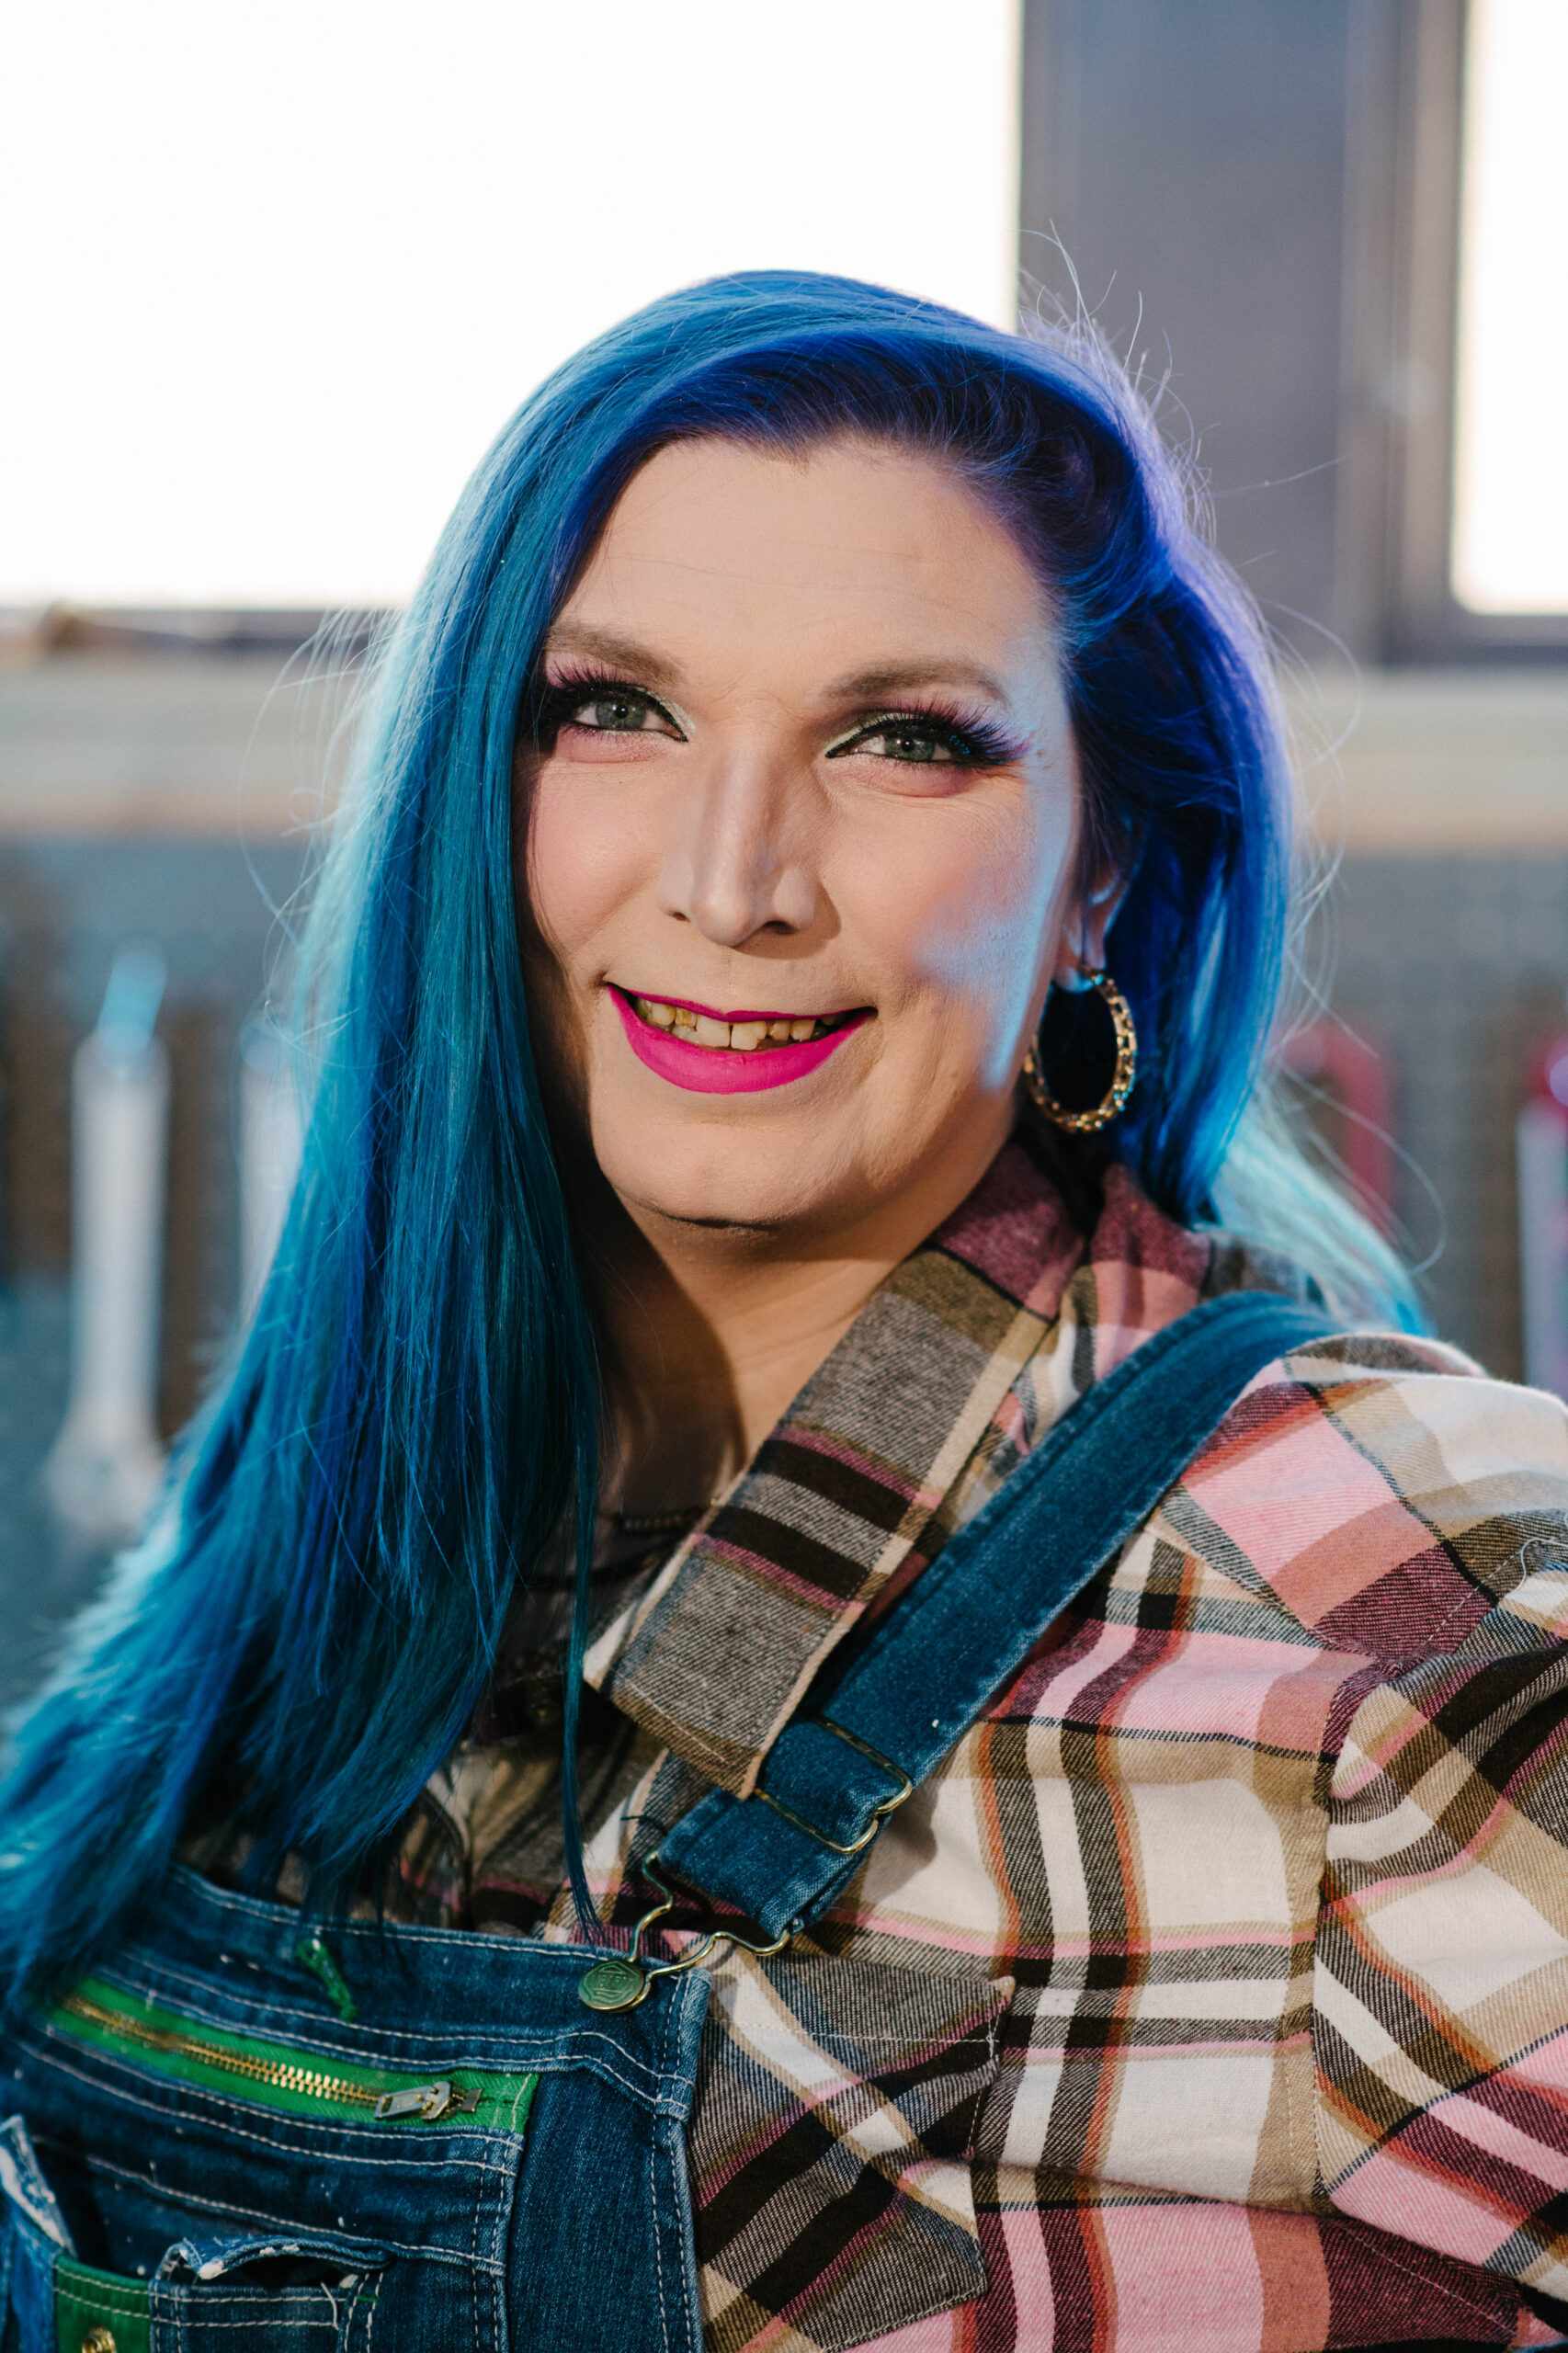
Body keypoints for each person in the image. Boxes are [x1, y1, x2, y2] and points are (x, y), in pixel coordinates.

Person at [2, 272, 1565, 2353]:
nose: (734, 878)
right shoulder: (290, 1554)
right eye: (613, 711)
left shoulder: (1422, 1622)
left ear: (1102, 869)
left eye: (901, 739)